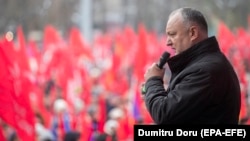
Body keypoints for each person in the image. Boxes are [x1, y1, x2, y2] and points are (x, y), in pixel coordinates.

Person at [142, 7, 241, 124]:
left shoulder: (205, 71)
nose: (167, 42)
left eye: (172, 34)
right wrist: (150, 90)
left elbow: (164, 115)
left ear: (193, 33)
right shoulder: (202, 65)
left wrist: (153, 81)